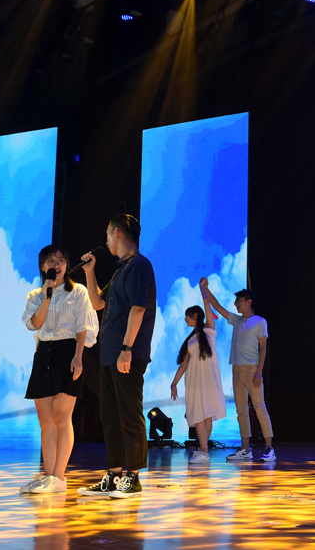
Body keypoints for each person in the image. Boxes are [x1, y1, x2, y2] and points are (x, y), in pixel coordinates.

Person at [76, 214, 157, 499]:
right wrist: (89, 271)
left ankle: (132, 477)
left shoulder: (139, 265)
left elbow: (138, 308)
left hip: (127, 354)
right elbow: (98, 302)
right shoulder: (121, 269)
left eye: (108, 235)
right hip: (110, 354)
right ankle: (113, 475)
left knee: (129, 414)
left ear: (118, 233)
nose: (107, 241)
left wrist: (126, 349)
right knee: (109, 416)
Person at [20, 245, 99, 494]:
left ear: (67, 264)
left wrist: (78, 356)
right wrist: (47, 295)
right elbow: (35, 323)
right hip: (44, 353)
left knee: (61, 417)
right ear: (43, 266)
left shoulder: (78, 291)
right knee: (45, 421)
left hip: (68, 352)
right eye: (51, 261)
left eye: (61, 260)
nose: (57, 264)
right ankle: (48, 475)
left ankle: (59, 476)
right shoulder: (36, 295)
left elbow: (82, 326)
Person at [203, 280, 275, 462]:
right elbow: (217, 306)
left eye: (239, 301)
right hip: (236, 369)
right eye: (236, 301)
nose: (236, 304)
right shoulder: (236, 320)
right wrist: (205, 288)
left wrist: (259, 371)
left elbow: (263, 348)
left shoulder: (260, 322)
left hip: (252, 369)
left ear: (249, 301)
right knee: (241, 410)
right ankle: (245, 449)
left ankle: (269, 448)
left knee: (259, 407)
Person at [170, 278, 227, 464]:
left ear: (195, 315)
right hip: (194, 380)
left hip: (208, 379)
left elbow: (206, 302)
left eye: (187, 316)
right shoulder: (191, 339)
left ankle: (204, 452)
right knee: (200, 416)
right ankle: (204, 451)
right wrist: (174, 383)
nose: (185, 319)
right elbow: (184, 364)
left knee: (206, 415)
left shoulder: (209, 330)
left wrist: (203, 288)